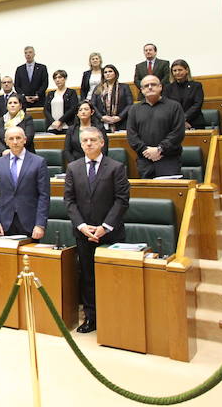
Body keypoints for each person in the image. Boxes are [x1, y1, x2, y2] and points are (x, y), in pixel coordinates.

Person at [64, 126, 129, 334]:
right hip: (83, 233)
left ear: (102, 142)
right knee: (88, 277)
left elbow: (121, 200)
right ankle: (91, 318)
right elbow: (69, 201)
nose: (89, 144)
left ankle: (114, 317)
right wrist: (82, 226)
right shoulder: (73, 168)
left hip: (110, 233)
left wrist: (104, 227)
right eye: (85, 141)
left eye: (93, 140)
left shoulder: (116, 167)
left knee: (112, 277)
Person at [0, 126, 50, 239]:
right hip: (5, 224)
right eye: (11, 139)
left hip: (30, 223)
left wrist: (40, 224)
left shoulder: (38, 162)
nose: (15, 142)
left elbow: (44, 196)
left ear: (25, 140)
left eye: (18, 138)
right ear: (6, 142)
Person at [127, 75, 186, 178]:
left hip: (169, 159)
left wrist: (160, 149)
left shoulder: (174, 106)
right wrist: (145, 150)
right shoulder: (134, 109)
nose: (150, 87)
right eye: (146, 86)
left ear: (160, 87)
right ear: (141, 90)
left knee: (169, 193)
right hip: (144, 160)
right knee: (149, 193)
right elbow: (132, 135)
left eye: (153, 84)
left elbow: (178, 133)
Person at [163, 59, 205, 129]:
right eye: (175, 71)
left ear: (187, 70)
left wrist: (183, 118)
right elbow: (166, 106)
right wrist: (180, 121)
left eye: (180, 70)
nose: (177, 72)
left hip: (195, 122)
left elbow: (197, 105)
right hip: (174, 123)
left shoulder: (196, 86)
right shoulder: (168, 88)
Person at [93, 64, 132, 132]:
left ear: (115, 73)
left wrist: (119, 117)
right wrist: (101, 117)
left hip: (121, 122)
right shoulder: (98, 88)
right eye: (105, 72)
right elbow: (93, 104)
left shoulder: (124, 87)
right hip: (102, 123)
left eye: (110, 71)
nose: (108, 74)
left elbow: (129, 104)